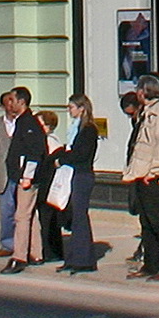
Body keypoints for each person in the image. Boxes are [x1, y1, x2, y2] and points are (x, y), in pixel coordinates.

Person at [123, 79, 159, 277]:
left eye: (138, 90)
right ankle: (151, 264)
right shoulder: (147, 112)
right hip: (142, 175)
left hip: (156, 178)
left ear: (143, 92)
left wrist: (153, 172)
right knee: (147, 224)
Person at [0, 88, 45, 269]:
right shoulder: (23, 121)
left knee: (21, 217)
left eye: (13, 100)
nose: (10, 103)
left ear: (21, 102)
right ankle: (36, 253)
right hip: (20, 176)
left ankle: (19, 256)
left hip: (26, 179)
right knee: (30, 215)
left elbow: (35, 152)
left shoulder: (29, 123)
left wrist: (27, 177)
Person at [52, 94, 101, 273]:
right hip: (73, 174)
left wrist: (62, 159)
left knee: (80, 217)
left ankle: (84, 260)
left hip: (82, 175)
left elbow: (80, 154)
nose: (69, 110)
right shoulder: (75, 128)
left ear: (82, 108)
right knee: (74, 218)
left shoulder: (88, 129)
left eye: (71, 107)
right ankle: (73, 258)